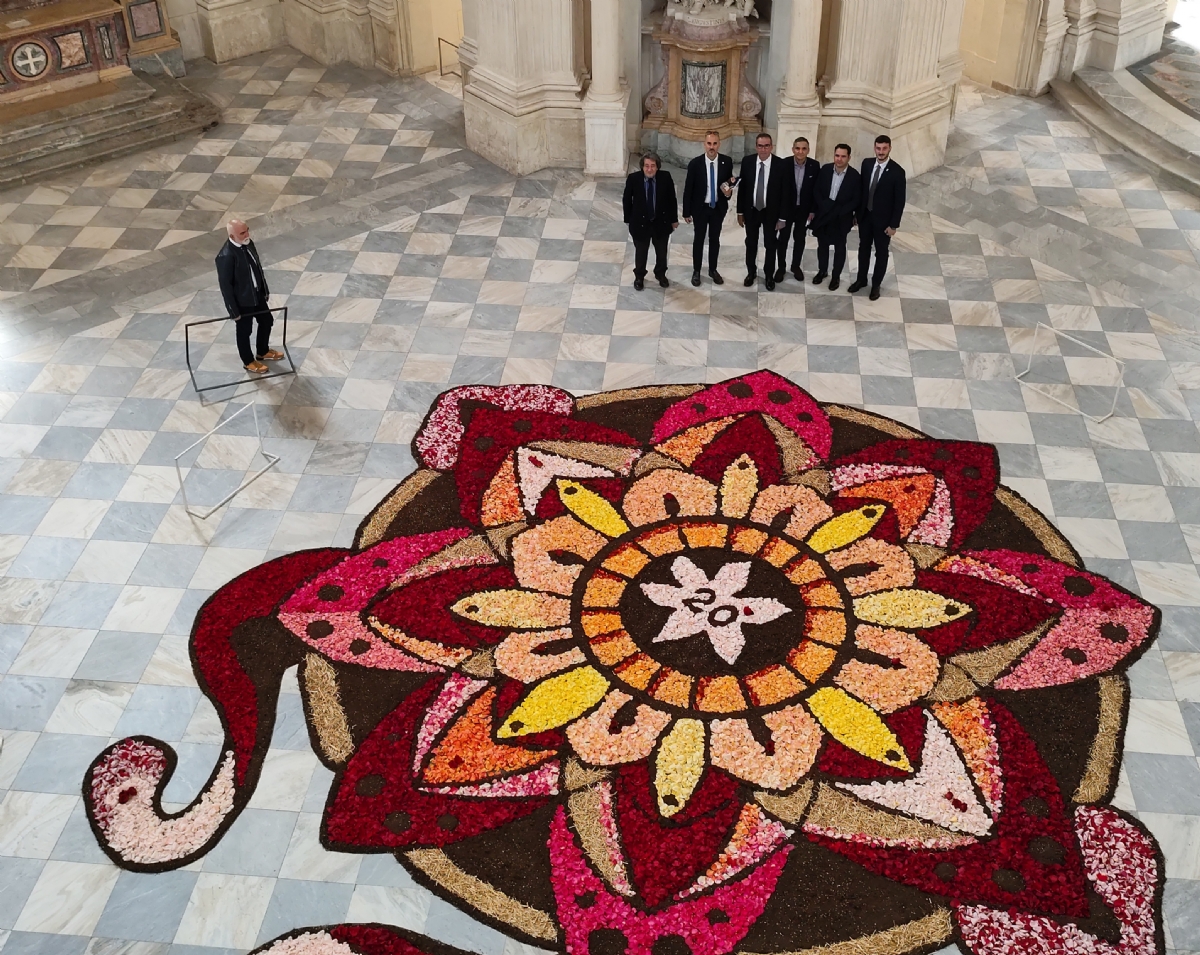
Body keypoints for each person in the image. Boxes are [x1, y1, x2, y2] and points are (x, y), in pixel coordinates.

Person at [215, 220, 283, 374]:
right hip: (242, 301)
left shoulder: (248, 244)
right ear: (232, 235)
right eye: (242, 233)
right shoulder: (226, 256)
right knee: (245, 331)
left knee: (267, 321)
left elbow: (257, 268)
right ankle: (248, 361)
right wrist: (233, 311)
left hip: (256, 294)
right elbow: (225, 286)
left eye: (247, 231)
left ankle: (262, 351)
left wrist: (264, 290)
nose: (247, 235)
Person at [848, 134, 906, 300]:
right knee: (863, 249)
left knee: (881, 253)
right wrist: (857, 214)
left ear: (889, 149)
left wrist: (893, 225)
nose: (881, 152)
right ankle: (861, 280)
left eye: (884, 148)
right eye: (878, 148)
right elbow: (861, 191)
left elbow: (899, 201)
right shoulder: (866, 164)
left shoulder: (897, 172)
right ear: (874, 148)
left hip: (883, 222)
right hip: (865, 217)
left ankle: (876, 285)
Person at [682, 131, 736, 287]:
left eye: (715, 143)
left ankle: (713, 270)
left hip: (717, 208)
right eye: (709, 143)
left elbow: (727, 185)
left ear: (719, 144)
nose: (712, 147)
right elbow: (688, 190)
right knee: (698, 240)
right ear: (704, 144)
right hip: (700, 209)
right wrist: (686, 211)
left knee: (715, 240)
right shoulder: (695, 164)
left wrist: (728, 193)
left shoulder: (727, 162)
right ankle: (696, 271)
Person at [736, 132, 788, 290]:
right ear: (756, 146)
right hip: (751, 211)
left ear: (771, 147)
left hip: (771, 212)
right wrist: (740, 212)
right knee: (751, 243)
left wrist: (783, 218)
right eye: (760, 146)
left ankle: (769, 275)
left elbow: (786, 193)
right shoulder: (748, 162)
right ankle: (751, 273)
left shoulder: (781, 165)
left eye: (766, 146)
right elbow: (743, 189)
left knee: (770, 245)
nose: (763, 149)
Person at [622, 152, 679, 290]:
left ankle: (660, 274)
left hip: (661, 223)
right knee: (641, 252)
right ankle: (639, 276)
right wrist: (628, 219)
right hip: (640, 224)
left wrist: (674, 219)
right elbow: (627, 200)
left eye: (652, 166)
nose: (649, 169)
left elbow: (672, 199)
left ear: (657, 167)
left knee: (661, 252)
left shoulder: (665, 177)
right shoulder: (633, 179)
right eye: (646, 166)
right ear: (642, 167)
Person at [809, 144, 861, 292]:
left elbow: (856, 200)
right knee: (822, 246)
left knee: (839, 248)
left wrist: (839, 211)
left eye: (843, 156)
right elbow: (817, 190)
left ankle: (836, 276)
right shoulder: (825, 169)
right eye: (837, 155)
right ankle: (822, 271)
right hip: (824, 214)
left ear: (849, 157)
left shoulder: (854, 176)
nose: (839, 159)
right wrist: (824, 206)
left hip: (841, 217)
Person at [776, 136, 821, 283]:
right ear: (793, 149)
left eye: (804, 148)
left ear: (808, 150)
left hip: (804, 210)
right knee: (783, 239)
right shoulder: (783, 164)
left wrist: (813, 211)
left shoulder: (815, 166)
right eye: (797, 148)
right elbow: (779, 189)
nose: (800, 152)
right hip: (786, 210)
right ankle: (781, 268)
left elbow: (816, 190)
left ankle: (795, 266)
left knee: (800, 239)